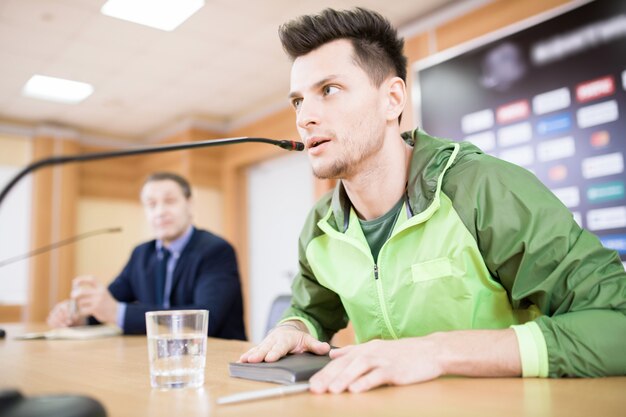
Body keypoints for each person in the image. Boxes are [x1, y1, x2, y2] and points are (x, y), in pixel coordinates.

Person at [239, 7, 626, 393]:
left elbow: (617, 322)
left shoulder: (485, 190)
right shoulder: (321, 226)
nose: (304, 117)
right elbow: (310, 310)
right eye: (297, 101)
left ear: (392, 99)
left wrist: (437, 352)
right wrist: (293, 328)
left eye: (329, 90)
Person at [47, 172, 246, 340]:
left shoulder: (217, 250)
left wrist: (117, 312)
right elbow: (111, 300)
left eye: (169, 201)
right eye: (151, 204)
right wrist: (81, 315)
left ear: (190, 204)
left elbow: (206, 321)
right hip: (159, 358)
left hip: (215, 359)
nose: (160, 212)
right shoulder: (141, 254)